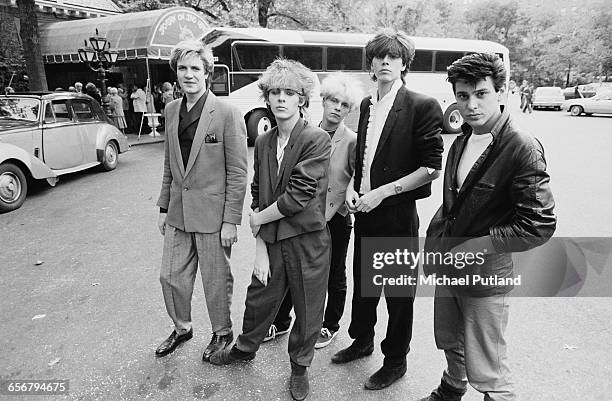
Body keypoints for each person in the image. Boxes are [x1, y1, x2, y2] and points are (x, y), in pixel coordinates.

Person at [421, 52, 556, 401]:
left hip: (486, 273)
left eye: (481, 94)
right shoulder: (462, 140)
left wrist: (476, 247)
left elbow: (538, 224)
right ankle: (451, 389)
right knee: (450, 338)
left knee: (489, 363)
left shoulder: (521, 147)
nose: (471, 105)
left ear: (501, 92)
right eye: (463, 96)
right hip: (450, 262)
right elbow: (453, 204)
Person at [209, 58, 331, 401]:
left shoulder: (316, 139)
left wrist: (257, 221)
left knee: (308, 308)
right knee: (259, 296)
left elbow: (298, 196)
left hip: (308, 241)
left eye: (289, 92)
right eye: (275, 92)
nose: (280, 99)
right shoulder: (264, 141)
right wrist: (260, 245)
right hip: (273, 239)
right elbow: (258, 192)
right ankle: (245, 349)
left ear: (302, 98)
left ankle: (299, 368)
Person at [331, 28, 444, 391]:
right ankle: (362, 341)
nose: (384, 62)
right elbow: (362, 154)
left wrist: (383, 192)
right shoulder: (366, 105)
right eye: (378, 57)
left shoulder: (422, 105)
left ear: (404, 63)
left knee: (397, 293)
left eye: (392, 57)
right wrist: (351, 186)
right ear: (370, 63)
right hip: (363, 210)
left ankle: (395, 360)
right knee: (365, 284)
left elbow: (431, 167)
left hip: (395, 214)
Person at [154, 40, 248, 362]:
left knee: (216, 281)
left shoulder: (226, 113)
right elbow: (170, 163)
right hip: (179, 213)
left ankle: (222, 332)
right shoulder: (170, 110)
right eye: (183, 68)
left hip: (213, 215)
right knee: (170, 276)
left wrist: (230, 221)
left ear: (208, 73)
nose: (188, 74)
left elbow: (237, 172)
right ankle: (182, 328)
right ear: (176, 73)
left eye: (196, 68)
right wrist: (164, 207)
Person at [262, 72, 362, 349]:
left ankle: (329, 325)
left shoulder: (352, 140)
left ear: (349, 110)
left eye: (344, 105)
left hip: (335, 218)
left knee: (334, 273)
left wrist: (346, 198)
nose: (337, 109)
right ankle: (281, 321)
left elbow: (356, 177)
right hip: (302, 216)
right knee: (293, 269)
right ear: (323, 100)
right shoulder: (304, 133)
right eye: (333, 101)